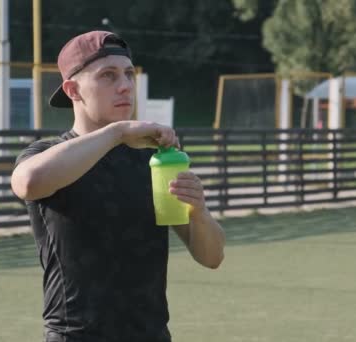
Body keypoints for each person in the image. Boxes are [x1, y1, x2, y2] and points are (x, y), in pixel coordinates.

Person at [11, 31, 225, 342]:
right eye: (108, 76)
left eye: (128, 74)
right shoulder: (45, 154)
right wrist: (118, 132)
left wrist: (199, 213)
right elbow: (28, 183)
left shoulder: (153, 160)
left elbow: (212, 257)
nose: (125, 85)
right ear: (73, 90)